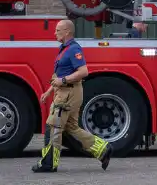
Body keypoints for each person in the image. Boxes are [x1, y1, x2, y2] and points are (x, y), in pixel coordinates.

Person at [33, 19, 113, 173]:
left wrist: (62, 81)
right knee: (71, 128)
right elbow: (60, 75)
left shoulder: (73, 49)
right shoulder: (64, 49)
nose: (54, 33)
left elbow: (83, 72)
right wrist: (49, 91)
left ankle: (48, 163)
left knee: (53, 126)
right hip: (66, 92)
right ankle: (103, 149)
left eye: (58, 30)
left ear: (67, 32)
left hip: (68, 94)